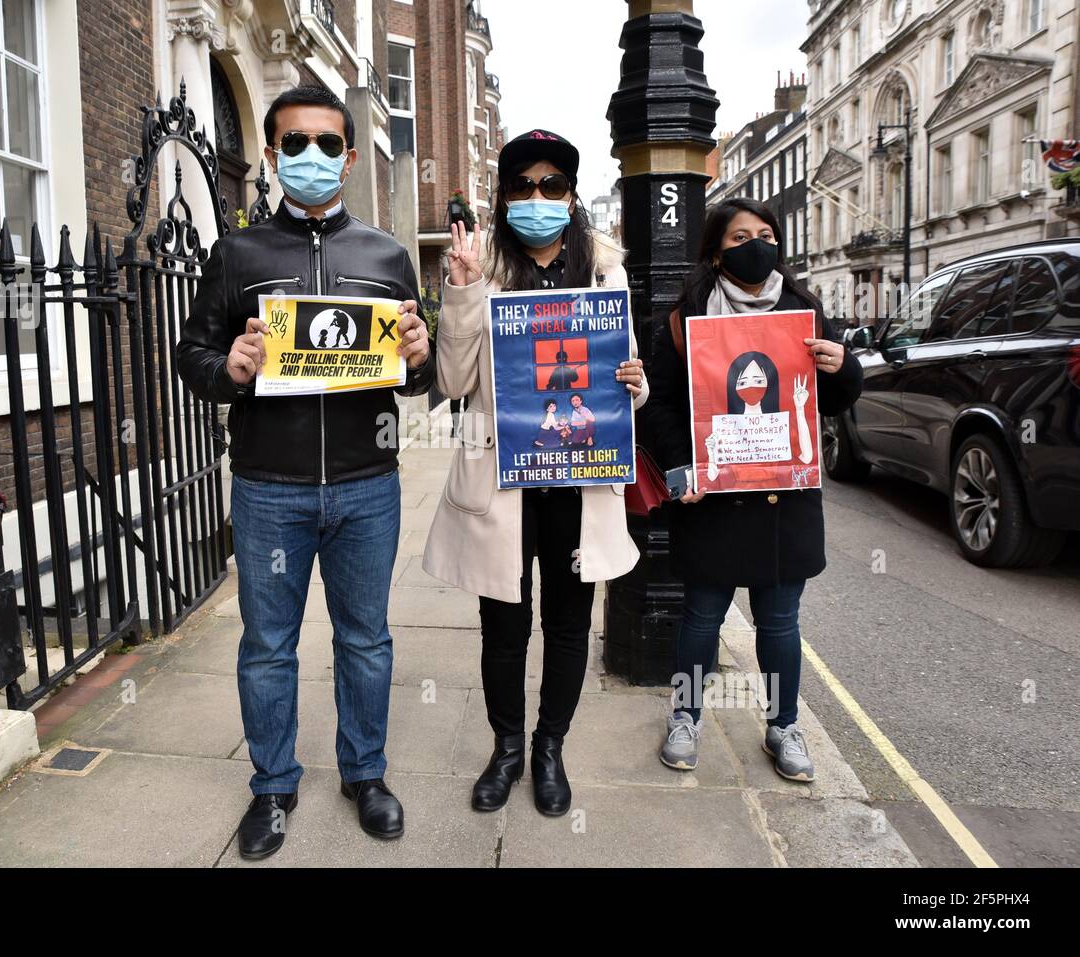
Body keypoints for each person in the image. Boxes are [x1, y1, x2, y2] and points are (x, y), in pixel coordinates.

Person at [176, 85, 435, 860]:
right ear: (272, 153)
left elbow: (416, 371)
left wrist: (420, 361)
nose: (312, 158)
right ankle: (273, 784)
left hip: (367, 484)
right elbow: (192, 355)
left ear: (350, 157)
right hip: (269, 488)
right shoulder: (237, 254)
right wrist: (231, 366)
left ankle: (366, 771)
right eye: (296, 144)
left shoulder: (387, 256)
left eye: (327, 145)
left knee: (366, 641)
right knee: (267, 646)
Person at [422, 130, 646, 815]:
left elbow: (626, 374)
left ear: (572, 197)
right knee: (505, 626)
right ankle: (508, 747)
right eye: (522, 186)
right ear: (505, 197)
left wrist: (634, 382)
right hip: (505, 483)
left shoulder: (606, 272)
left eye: (552, 186)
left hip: (579, 486)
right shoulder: (480, 272)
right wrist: (459, 295)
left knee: (571, 625)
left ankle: (550, 748)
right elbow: (452, 380)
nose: (538, 198)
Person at [643, 197, 862, 782]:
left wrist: (843, 366)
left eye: (765, 235)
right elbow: (661, 404)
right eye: (740, 237)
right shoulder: (684, 316)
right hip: (712, 497)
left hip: (782, 499)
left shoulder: (804, 310)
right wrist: (679, 464)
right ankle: (685, 716)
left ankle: (784, 724)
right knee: (701, 617)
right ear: (716, 250)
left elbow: (836, 401)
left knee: (781, 622)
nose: (755, 245)